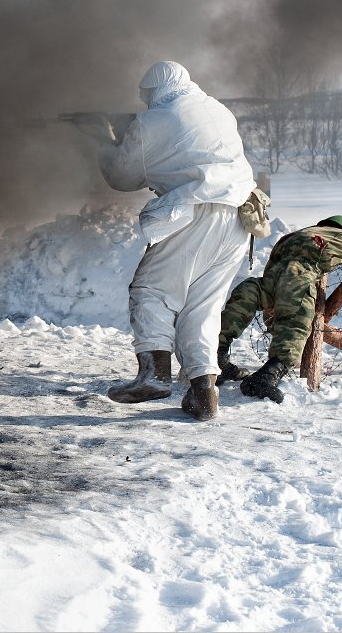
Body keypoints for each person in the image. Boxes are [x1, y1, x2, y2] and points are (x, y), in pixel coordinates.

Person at [97, 61, 256, 421]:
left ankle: (154, 377)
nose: (145, 101)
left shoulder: (153, 121)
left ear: (154, 91)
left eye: (146, 95)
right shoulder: (218, 109)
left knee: (150, 291)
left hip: (195, 210)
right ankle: (204, 392)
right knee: (203, 307)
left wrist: (102, 139)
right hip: (238, 217)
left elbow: (122, 176)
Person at [217, 215, 342, 403]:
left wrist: (274, 326)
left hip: (270, 280)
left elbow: (271, 277)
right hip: (299, 279)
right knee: (297, 318)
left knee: (244, 298)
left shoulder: (291, 236)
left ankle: (216, 357)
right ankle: (266, 377)